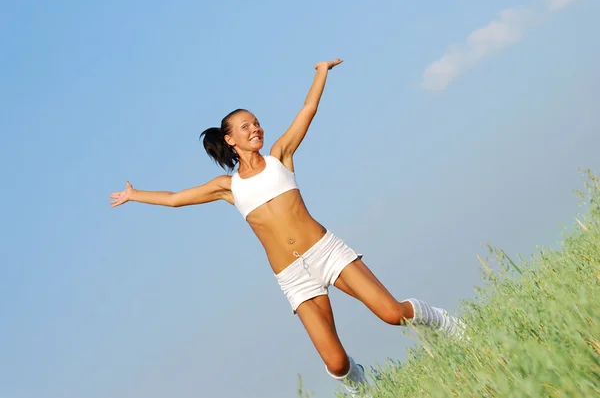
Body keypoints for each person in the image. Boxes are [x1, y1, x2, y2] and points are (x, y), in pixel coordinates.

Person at [109, 58, 464, 397]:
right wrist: (134, 194)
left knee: (392, 314)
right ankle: (358, 380)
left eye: (257, 122)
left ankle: (439, 319)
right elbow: (174, 198)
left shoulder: (280, 156)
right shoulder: (228, 187)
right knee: (336, 364)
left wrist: (322, 71)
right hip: (293, 276)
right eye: (246, 126)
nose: (256, 128)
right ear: (230, 139)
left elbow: (307, 110)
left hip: (325, 252)